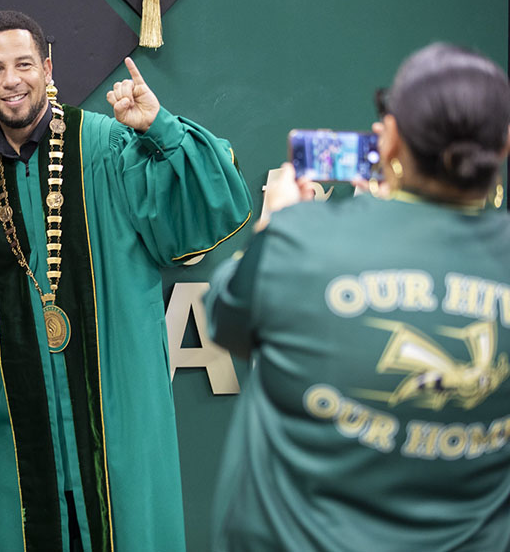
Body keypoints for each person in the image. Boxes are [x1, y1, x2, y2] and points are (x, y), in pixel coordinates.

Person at [0, 10, 252, 551]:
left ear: (47, 67)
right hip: (12, 422)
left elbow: (209, 199)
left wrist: (160, 128)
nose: (11, 80)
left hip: (119, 409)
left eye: (24, 64)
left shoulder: (110, 146)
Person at [205, 43, 510, 551]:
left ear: (387, 139)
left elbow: (228, 319)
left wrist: (274, 228)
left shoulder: (298, 241)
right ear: (502, 144)